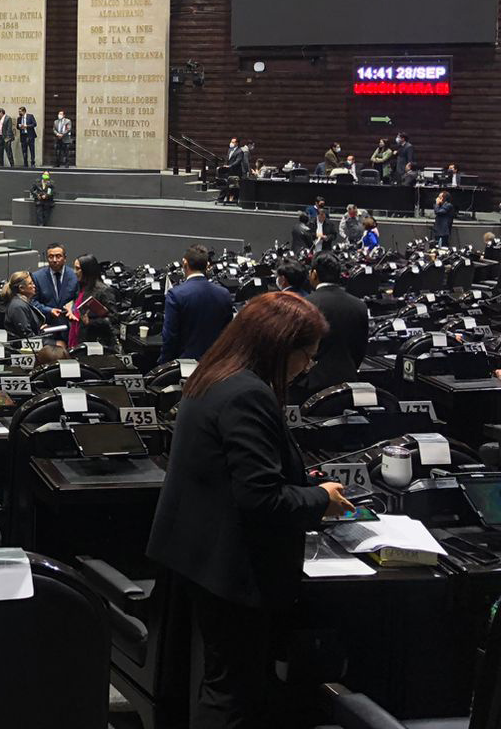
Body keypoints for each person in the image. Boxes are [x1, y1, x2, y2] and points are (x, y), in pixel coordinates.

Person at [148, 292, 352, 727]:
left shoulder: (215, 375)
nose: (307, 368)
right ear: (280, 346)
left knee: (226, 681)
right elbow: (261, 497)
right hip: (231, 568)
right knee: (232, 692)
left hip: (200, 555)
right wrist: (322, 499)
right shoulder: (247, 394)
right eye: (307, 357)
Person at [291, 252, 370, 402]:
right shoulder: (359, 305)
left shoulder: (305, 305)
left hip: (310, 385)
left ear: (314, 274)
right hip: (348, 382)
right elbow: (360, 349)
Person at [160, 243, 235, 363]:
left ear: (184, 263)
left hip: (184, 364)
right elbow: (227, 334)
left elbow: (170, 337)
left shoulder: (175, 295)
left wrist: (164, 364)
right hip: (214, 364)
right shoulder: (224, 294)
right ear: (207, 266)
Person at [68, 253, 115, 351]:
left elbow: (113, 318)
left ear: (87, 270)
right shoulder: (80, 287)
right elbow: (77, 307)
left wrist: (91, 322)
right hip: (78, 336)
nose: (74, 272)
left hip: (95, 342)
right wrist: (71, 311)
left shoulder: (104, 291)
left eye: (78, 269)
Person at [30, 242, 79, 324]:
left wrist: (72, 308)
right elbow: (32, 301)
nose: (54, 260)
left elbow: (79, 299)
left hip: (70, 323)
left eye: (58, 256)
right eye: (51, 257)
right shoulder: (37, 277)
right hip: (47, 324)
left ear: (65, 258)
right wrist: (49, 310)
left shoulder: (74, 276)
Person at [2, 271, 45, 338]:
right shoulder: (18, 306)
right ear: (21, 288)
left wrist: (39, 329)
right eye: (30, 283)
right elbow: (27, 336)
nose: (34, 286)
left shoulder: (22, 302)